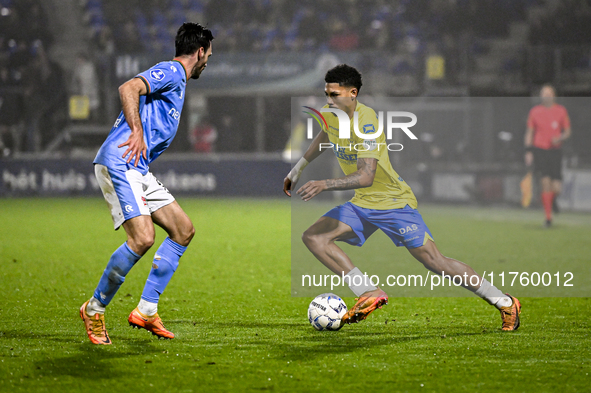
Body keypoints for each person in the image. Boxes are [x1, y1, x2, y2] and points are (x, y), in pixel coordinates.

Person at [284, 64, 521, 331]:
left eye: (335, 95)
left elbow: (366, 177)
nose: (328, 101)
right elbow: (325, 133)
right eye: (327, 94)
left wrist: (324, 183)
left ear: (352, 93)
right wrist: (298, 168)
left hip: (392, 202)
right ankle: (368, 292)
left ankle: (505, 301)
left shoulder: (367, 121)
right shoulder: (330, 113)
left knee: (435, 262)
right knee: (314, 236)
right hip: (363, 203)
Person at [80, 23, 213, 345]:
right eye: (209, 54)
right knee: (142, 238)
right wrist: (136, 131)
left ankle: (146, 310)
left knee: (183, 229)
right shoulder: (170, 70)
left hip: (136, 166)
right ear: (200, 51)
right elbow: (128, 88)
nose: (208, 60)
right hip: (120, 160)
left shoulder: (178, 80)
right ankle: (94, 309)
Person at [524, 84, 571, 227]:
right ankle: (548, 218)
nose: (546, 96)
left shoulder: (561, 111)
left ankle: (552, 200)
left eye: (548, 93)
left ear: (554, 95)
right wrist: (528, 150)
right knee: (545, 182)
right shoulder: (535, 112)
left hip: (555, 151)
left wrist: (560, 138)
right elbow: (530, 132)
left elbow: (567, 132)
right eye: (543, 93)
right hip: (540, 150)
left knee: (556, 188)